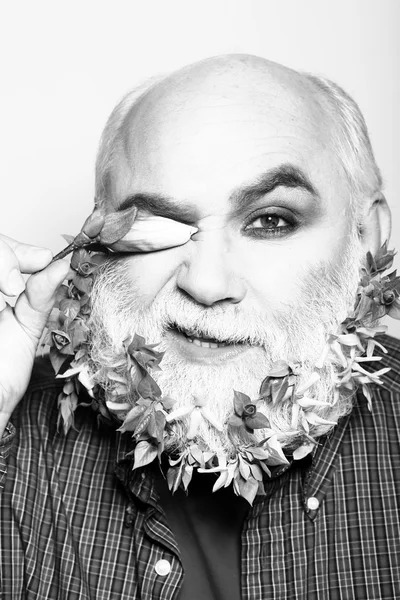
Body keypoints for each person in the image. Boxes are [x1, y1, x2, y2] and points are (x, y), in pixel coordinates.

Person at [0, 54, 399, 599]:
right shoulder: (18, 441)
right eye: (161, 226)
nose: (207, 284)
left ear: (368, 240)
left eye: (271, 221)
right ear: (97, 243)